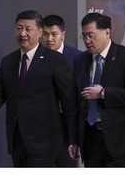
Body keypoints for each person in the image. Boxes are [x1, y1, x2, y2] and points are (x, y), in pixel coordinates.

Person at [0, 10, 73, 167]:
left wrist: (73, 137)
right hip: (17, 139)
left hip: (44, 140)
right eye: (19, 28)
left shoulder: (54, 60)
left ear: (39, 32)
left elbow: (69, 99)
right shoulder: (8, 61)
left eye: (28, 29)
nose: (23, 33)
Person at [68, 12, 125, 167]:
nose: (87, 41)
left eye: (91, 35)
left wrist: (104, 93)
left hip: (118, 138)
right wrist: (74, 139)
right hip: (89, 138)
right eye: (84, 36)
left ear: (107, 32)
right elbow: (75, 103)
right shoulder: (80, 60)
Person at [41, 14, 82, 167]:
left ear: (63, 35)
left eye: (54, 34)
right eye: (45, 34)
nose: (49, 39)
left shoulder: (78, 58)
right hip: (42, 126)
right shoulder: (36, 58)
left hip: (67, 125)